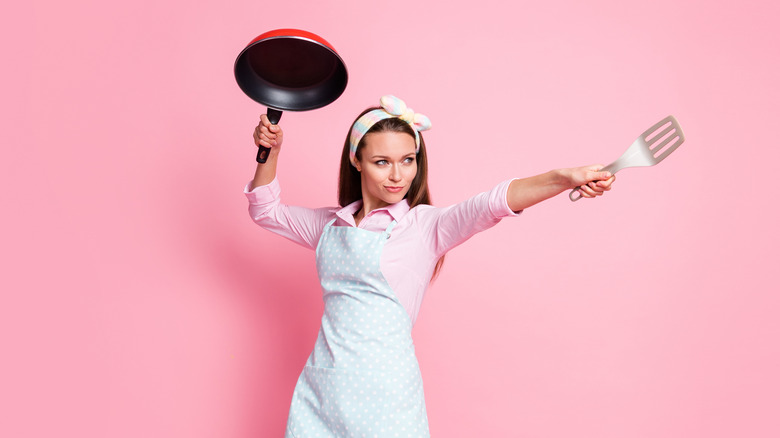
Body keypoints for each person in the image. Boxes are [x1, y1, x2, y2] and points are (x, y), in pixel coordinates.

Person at [244, 95, 615, 437]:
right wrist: (271, 152)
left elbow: (491, 203)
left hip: (387, 400)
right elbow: (265, 210)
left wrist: (562, 178)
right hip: (322, 393)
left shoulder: (423, 228)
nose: (398, 176)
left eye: (408, 160)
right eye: (381, 162)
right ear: (356, 160)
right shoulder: (330, 225)